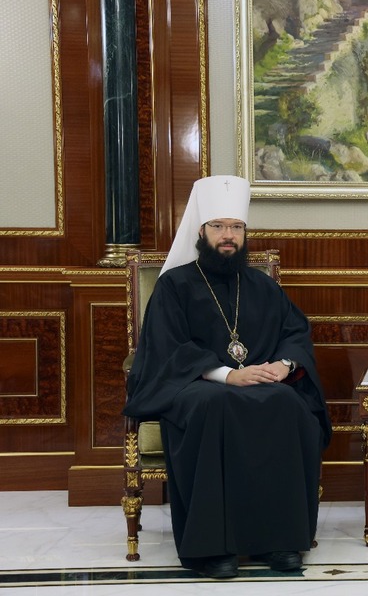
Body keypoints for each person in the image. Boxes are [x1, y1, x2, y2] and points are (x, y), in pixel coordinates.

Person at [123, 175, 331, 579]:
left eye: (236, 227)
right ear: (201, 232)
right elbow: (167, 348)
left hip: (260, 382)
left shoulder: (261, 285)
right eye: (218, 226)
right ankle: (213, 548)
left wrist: (284, 366)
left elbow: (295, 332)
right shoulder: (174, 285)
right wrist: (224, 375)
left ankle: (281, 541)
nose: (228, 235)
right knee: (213, 404)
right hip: (196, 386)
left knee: (287, 403)